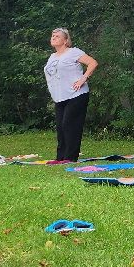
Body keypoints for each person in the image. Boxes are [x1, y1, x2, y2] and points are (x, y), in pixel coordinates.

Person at [43, 27, 98, 164]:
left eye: (57, 36)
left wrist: (83, 78)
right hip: (60, 97)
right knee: (61, 126)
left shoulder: (73, 52)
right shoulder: (52, 57)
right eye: (52, 35)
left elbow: (93, 63)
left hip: (76, 94)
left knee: (70, 124)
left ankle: (70, 157)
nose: (53, 37)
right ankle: (60, 157)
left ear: (66, 40)